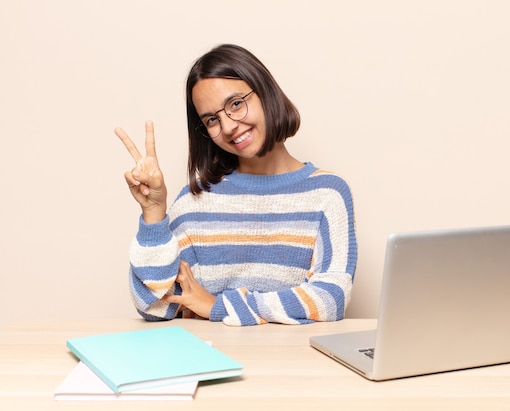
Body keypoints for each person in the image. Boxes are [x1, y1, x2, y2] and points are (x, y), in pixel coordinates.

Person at [114, 44, 358, 326]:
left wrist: (219, 306)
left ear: (266, 92)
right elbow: (155, 306)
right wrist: (154, 213)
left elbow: (331, 298)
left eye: (236, 104)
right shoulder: (195, 203)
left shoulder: (328, 194)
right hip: (210, 361)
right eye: (212, 120)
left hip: (293, 364)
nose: (229, 126)